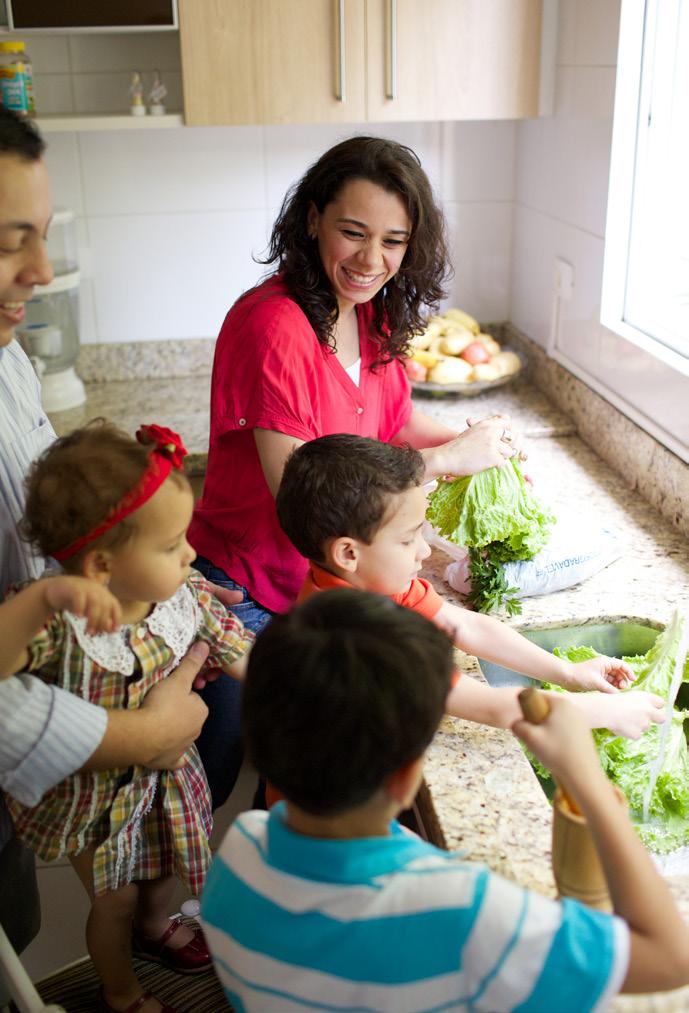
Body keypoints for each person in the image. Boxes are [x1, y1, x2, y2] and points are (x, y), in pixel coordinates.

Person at [189, 134, 525, 806]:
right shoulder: (274, 326)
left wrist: (473, 438)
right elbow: (302, 496)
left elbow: (391, 421)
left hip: (322, 582)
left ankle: (251, 897)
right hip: (246, 588)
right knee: (209, 771)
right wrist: (444, 461)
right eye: (353, 232)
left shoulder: (368, 315)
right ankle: (161, 912)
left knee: (302, 775)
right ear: (312, 218)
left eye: (394, 241)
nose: (372, 259)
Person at [202, 589, 689, 1011]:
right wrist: (585, 779)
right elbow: (671, 959)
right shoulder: (470, 912)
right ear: (408, 774)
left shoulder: (239, 849)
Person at [0, 106, 221, 1002]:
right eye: (12, 240)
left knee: (12, 926)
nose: (44, 273)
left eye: (42, 238)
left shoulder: (8, 353)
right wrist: (145, 732)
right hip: (68, 753)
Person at [5, 420, 254, 1013]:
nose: (190, 554)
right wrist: (37, 601)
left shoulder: (183, 594)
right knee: (112, 900)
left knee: (165, 863)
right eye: (171, 546)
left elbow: (237, 650)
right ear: (98, 567)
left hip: (165, 780)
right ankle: (121, 992)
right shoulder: (57, 625)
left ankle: (156, 922)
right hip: (93, 797)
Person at [276, 434, 665, 737]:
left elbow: (466, 625)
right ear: (348, 553)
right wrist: (604, 713)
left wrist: (569, 672)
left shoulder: (365, 585)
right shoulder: (356, 636)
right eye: (408, 538)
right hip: (335, 819)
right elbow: (488, 706)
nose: (425, 551)